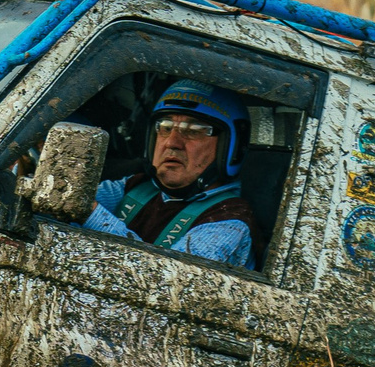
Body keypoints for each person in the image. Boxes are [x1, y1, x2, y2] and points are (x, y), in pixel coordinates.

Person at [82, 79, 257, 268]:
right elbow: (75, 201)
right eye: (165, 128)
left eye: (194, 130)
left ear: (230, 148)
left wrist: (89, 213)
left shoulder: (229, 221)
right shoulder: (136, 187)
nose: (171, 143)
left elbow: (166, 282)